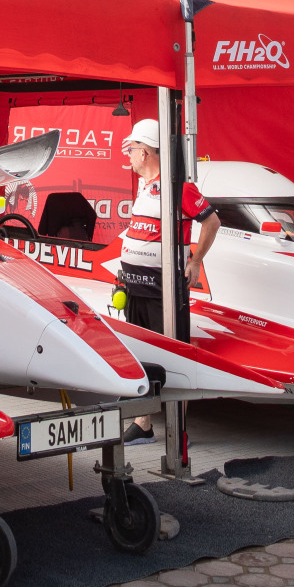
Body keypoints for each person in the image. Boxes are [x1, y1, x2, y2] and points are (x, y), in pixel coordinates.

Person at [117, 117, 219, 444]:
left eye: (132, 149)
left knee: (174, 355)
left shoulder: (179, 188)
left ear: (145, 152)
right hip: (136, 286)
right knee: (140, 352)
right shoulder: (145, 186)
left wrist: (196, 260)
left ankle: (179, 430)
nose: (129, 155)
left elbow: (212, 222)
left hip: (163, 289)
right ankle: (144, 423)